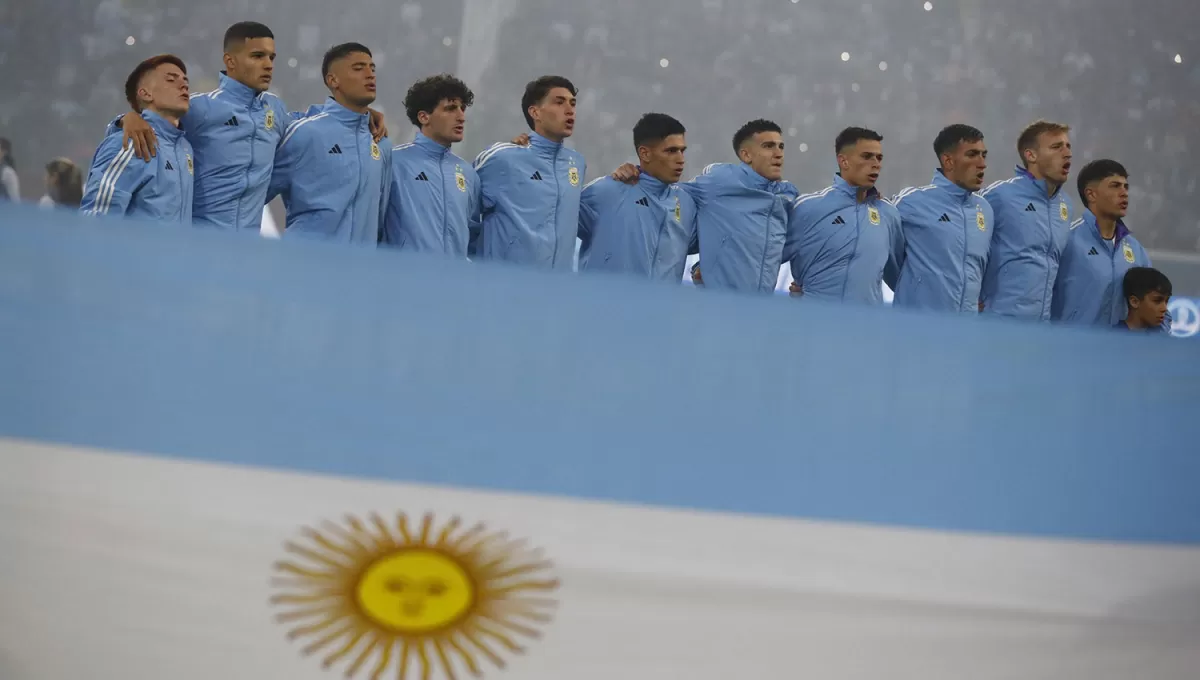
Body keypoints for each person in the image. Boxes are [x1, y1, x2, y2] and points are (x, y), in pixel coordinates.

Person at [115, 22, 387, 232]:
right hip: (200, 243)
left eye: (271, 57)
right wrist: (127, 118)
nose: (268, 65)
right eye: (257, 56)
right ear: (230, 61)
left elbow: (315, 121)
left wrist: (360, 113)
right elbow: (151, 123)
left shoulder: (275, 110)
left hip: (247, 251)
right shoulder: (202, 108)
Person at [267, 43, 390, 243]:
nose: (370, 75)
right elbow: (255, 195)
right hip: (306, 267)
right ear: (333, 80)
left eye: (372, 68)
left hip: (360, 271)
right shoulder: (306, 133)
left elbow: (382, 219)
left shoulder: (380, 142)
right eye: (358, 68)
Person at [472, 75, 584, 269]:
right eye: (559, 102)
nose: (569, 110)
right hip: (505, 287)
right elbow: (460, 213)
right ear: (535, 112)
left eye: (572, 104)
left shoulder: (577, 163)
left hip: (558, 289)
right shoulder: (503, 158)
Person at [784, 127, 901, 305]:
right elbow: (768, 257)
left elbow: (901, 279)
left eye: (879, 157)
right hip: (815, 324)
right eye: (867, 156)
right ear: (843, 161)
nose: (876, 163)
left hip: (868, 328)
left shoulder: (888, 213)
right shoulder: (808, 208)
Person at [576, 113, 697, 281]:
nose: (680, 159)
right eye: (671, 151)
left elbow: (718, 242)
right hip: (604, 305)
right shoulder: (608, 191)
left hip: (663, 307)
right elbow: (554, 222)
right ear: (645, 154)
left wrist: (700, 266)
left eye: (682, 151)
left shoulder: (686, 203)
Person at [889, 124, 995, 313]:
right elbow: (887, 258)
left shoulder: (984, 209)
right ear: (948, 161)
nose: (982, 163)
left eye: (983, 155)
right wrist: (916, 293)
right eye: (972, 155)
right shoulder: (912, 203)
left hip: (965, 330)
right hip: (918, 329)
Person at [979, 120, 1074, 321]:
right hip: (999, 323)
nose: (1067, 153)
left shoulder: (1065, 204)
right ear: (1031, 155)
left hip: (1040, 328)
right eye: (1056, 147)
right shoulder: (1000, 197)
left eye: (1068, 146)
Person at [80, 55, 194, 222]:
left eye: (186, 81)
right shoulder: (129, 141)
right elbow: (96, 218)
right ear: (145, 93)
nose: (183, 85)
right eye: (171, 79)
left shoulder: (186, 148)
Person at [382, 74, 480, 257]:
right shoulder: (393, 162)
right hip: (404, 281)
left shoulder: (468, 173)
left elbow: (473, 236)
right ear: (424, 117)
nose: (461, 117)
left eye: (462, 108)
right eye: (450, 109)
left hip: (453, 283)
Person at [1051, 160, 1155, 326]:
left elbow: (1154, 304)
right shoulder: (1065, 241)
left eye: (1126, 187)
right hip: (1071, 348)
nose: (1124, 193)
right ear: (1091, 194)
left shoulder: (1136, 250)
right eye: (1115, 186)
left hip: (1117, 350)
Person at [1115, 267, 1171, 332]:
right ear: (1134, 302)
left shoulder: (1161, 337)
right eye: (1157, 301)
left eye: (1166, 301)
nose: (1164, 309)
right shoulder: (1111, 338)